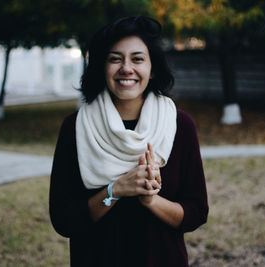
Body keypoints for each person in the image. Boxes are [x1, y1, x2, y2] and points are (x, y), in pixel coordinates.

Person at [49, 15, 208, 267]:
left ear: (152, 68)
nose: (126, 68)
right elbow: (64, 220)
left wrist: (151, 201)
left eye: (137, 59)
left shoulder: (179, 126)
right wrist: (115, 190)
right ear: (102, 67)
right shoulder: (76, 127)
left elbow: (196, 213)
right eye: (115, 59)